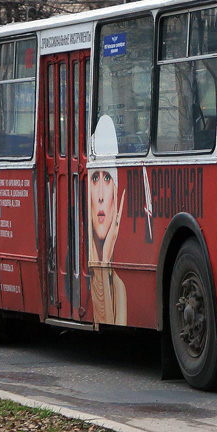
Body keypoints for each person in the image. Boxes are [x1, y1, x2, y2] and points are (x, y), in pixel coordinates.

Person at [89, 115, 127, 325]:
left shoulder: (119, 288)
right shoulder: (73, 275)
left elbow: (108, 324)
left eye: (108, 178)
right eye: (95, 178)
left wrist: (105, 261)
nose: (101, 195)